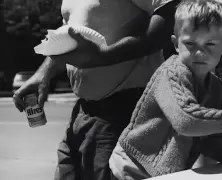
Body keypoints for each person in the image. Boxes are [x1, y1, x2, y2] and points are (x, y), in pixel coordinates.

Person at [12, 0, 180, 179]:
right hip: (82, 114)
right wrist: (43, 74)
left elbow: (170, 16)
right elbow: (67, 38)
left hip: (124, 112)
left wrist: (104, 55)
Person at [109, 0, 222, 179]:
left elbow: (210, 142)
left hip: (166, 173)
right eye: (190, 44)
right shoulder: (172, 73)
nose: (200, 53)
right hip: (132, 166)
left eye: (210, 44)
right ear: (176, 44)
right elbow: (186, 121)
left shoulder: (219, 90)